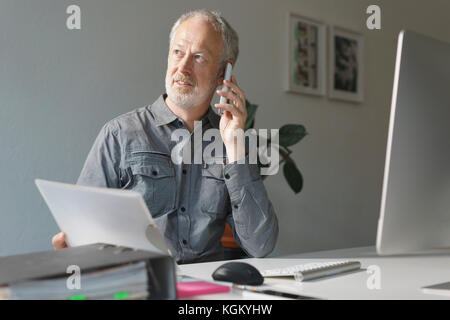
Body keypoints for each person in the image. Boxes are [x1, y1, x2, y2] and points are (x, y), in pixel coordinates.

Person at [52, 9, 278, 264]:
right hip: (137, 286)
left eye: (199, 57)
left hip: (205, 294)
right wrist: (73, 247)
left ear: (222, 73)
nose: (183, 67)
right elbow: (81, 232)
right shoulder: (119, 134)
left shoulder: (231, 143)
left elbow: (261, 245)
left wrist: (235, 146)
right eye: (178, 52)